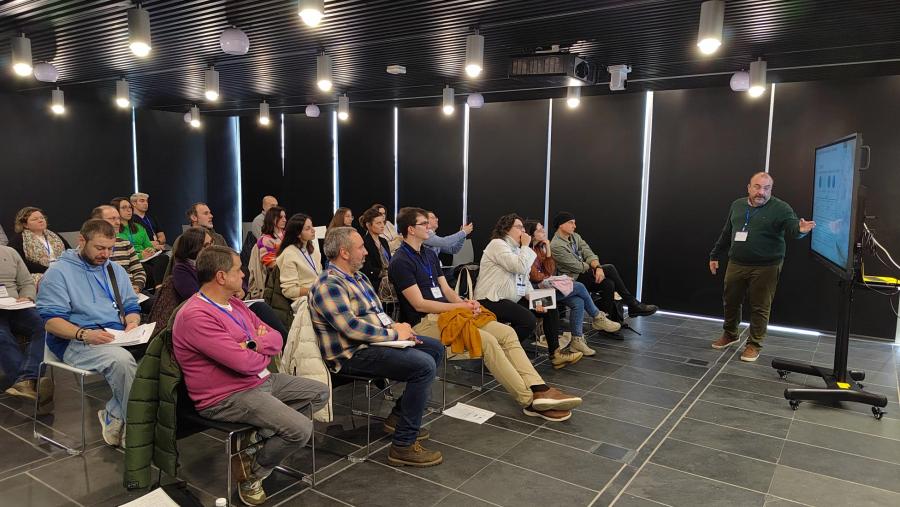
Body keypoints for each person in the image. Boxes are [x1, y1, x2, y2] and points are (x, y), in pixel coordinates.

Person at [389, 207, 582, 422]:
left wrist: (465, 302)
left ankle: (539, 387)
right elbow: (420, 304)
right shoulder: (400, 261)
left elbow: (446, 290)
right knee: (489, 341)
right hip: (424, 323)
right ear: (410, 230)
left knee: (507, 333)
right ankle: (529, 400)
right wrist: (460, 308)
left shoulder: (428, 254)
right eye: (424, 224)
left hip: (451, 314)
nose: (430, 226)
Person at [173, 245, 328, 505]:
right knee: (300, 429)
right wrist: (255, 347)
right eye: (238, 270)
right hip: (226, 396)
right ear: (221, 277)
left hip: (259, 379)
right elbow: (242, 363)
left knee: (319, 392)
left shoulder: (235, 303)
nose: (244, 273)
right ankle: (252, 472)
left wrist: (253, 344)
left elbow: (276, 338)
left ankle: (257, 438)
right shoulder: (195, 315)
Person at [309, 226, 444, 467]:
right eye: (360, 247)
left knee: (434, 349)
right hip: (351, 354)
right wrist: (393, 333)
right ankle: (403, 445)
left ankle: (399, 417)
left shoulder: (359, 278)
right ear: (344, 252)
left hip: (374, 343)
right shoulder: (328, 284)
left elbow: (378, 315)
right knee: (422, 366)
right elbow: (351, 328)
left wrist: (400, 328)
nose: (366, 252)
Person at [36, 219, 140, 448]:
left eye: (110, 248)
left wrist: (132, 322)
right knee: (122, 361)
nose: (106, 254)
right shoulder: (59, 272)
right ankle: (137, 431)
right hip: (74, 341)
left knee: (158, 356)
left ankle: (114, 413)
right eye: (100, 248)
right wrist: (84, 334)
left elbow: (131, 306)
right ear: (81, 241)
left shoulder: (114, 269)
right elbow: (52, 322)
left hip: (114, 336)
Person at [709, 172, 816, 362]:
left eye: (766, 188)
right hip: (737, 262)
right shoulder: (737, 205)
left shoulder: (781, 208)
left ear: (771, 190)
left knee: (760, 306)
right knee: (730, 301)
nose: (761, 192)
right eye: (757, 187)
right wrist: (715, 254)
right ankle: (731, 334)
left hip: (766, 266)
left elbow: (792, 226)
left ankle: (754, 344)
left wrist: (800, 230)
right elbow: (727, 232)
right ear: (749, 188)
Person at [474, 214, 582, 369]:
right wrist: (525, 246)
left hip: (513, 298)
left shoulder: (517, 249)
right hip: (492, 299)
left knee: (550, 305)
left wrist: (536, 300)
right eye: (519, 227)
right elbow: (518, 267)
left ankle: (555, 354)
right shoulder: (497, 244)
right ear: (506, 230)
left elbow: (524, 281)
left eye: (524, 228)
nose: (523, 231)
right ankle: (498, 356)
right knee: (528, 320)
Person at [551, 211, 657, 325]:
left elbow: (589, 253)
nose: (574, 226)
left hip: (585, 275)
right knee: (610, 268)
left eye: (574, 223)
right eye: (571, 223)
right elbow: (578, 267)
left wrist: (597, 267)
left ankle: (607, 321)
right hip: (572, 280)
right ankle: (632, 304)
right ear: (561, 225)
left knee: (609, 284)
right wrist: (594, 267)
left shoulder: (575, 237)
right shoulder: (556, 245)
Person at [524, 220, 612, 356]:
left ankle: (577, 341)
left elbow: (551, 270)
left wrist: (547, 252)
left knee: (578, 302)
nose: (544, 232)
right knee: (580, 287)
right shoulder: (526, 251)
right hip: (533, 294)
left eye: (543, 229)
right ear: (532, 234)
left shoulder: (541, 248)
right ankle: (597, 316)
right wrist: (547, 277)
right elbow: (534, 276)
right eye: (540, 230)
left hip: (545, 288)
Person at [0, 245, 46, 401]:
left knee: (43, 327)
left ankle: (25, 380)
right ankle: (28, 381)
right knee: (2, 335)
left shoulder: (10, 252)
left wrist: (27, 296)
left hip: (16, 305)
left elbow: (26, 282)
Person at [90, 205, 147, 297]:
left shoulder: (125, 244)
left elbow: (139, 271)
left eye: (118, 219)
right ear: (97, 222)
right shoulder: (89, 249)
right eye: (112, 219)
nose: (118, 223)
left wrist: (137, 286)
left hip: (133, 292)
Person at [9, 206, 70, 283]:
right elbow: (20, 262)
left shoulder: (54, 235)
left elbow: (69, 252)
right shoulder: (18, 239)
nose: (40, 220)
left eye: (42, 218)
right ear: (25, 225)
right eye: (35, 219)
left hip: (61, 270)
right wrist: (49, 270)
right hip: (38, 274)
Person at [276, 213, 321, 301]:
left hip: (317, 295)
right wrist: (316, 291)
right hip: (304, 300)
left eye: (312, 226)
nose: (313, 230)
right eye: (308, 228)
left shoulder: (313, 251)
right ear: (298, 234)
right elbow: (289, 290)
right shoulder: (289, 254)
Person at [359, 207, 396, 304]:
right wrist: (387, 274)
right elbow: (367, 269)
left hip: (389, 279)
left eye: (383, 222)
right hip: (375, 282)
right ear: (368, 225)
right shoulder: (364, 242)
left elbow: (390, 262)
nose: (382, 226)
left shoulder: (383, 241)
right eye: (378, 223)